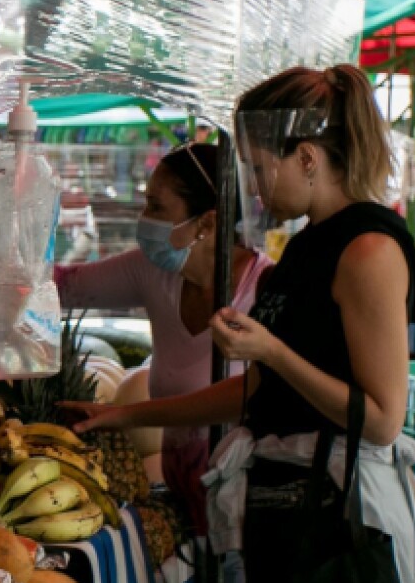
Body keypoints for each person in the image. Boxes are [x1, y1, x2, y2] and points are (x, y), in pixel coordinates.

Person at [67, 65, 415, 583]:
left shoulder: (368, 250)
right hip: (284, 521)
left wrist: (272, 351)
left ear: (308, 159)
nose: (255, 190)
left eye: (260, 169)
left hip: (334, 534)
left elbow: (383, 419)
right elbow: (254, 392)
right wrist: (123, 417)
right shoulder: (306, 248)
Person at [55, 142, 274, 530]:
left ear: (207, 223)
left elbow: (250, 399)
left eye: (157, 208)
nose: (145, 219)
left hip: (247, 519)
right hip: (183, 505)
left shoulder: (265, 290)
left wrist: (124, 415)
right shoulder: (154, 273)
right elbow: (62, 287)